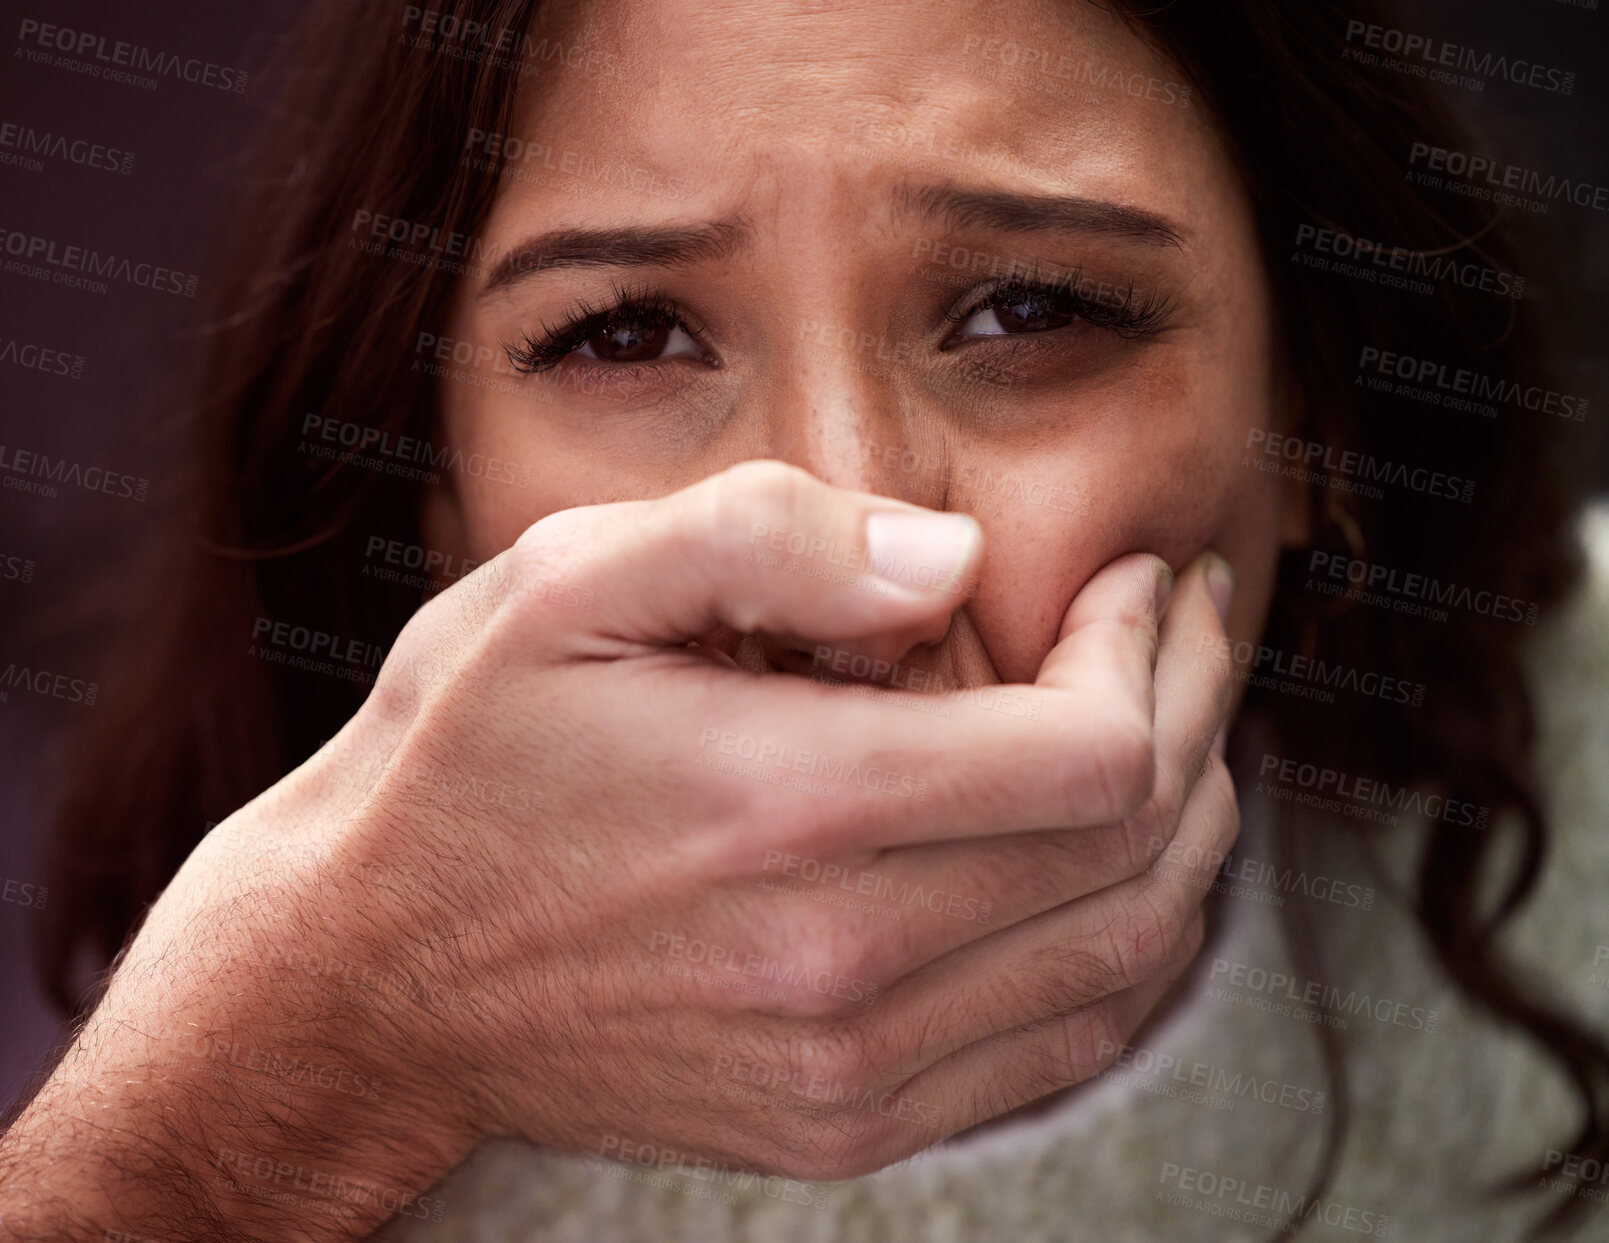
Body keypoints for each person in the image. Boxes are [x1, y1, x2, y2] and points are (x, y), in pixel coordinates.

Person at [2, 0, 1603, 1239]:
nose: (846, 557)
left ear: (1312, 425)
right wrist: (256, 1106)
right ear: (436, 500)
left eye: (1028, 312)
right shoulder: (251, 1066)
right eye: (628, 336)